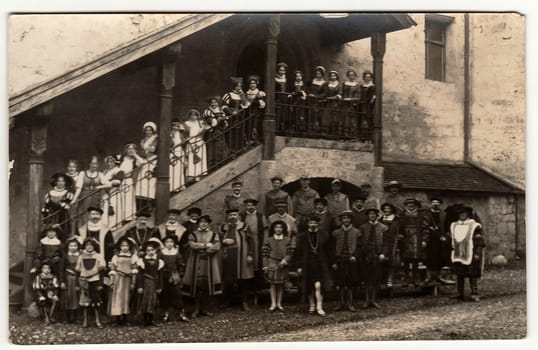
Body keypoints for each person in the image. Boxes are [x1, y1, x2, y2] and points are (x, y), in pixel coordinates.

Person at [182, 215, 222, 318]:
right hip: (196, 262)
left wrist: (208, 251)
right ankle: (196, 308)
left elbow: (217, 246)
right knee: (197, 285)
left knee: (207, 285)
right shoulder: (193, 234)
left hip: (209, 262)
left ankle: (206, 308)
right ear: (198, 223)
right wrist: (205, 245)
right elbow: (192, 244)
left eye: (205, 222)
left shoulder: (213, 234)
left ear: (208, 224)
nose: (203, 224)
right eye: (201, 222)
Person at [219, 208, 255, 311]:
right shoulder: (223, 227)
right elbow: (217, 240)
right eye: (230, 215)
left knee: (243, 279)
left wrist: (250, 254)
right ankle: (227, 301)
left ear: (238, 216)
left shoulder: (244, 226)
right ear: (227, 217)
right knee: (227, 280)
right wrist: (223, 241)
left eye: (234, 215)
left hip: (242, 256)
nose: (232, 217)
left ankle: (244, 302)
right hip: (228, 256)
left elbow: (251, 241)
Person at [294, 215, 329, 316]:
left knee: (318, 285)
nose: (313, 225)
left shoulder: (324, 235)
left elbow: (328, 251)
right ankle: (312, 305)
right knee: (309, 286)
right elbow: (299, 252)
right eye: (311, 223)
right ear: (307, 224)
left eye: (314, 223)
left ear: (318, 224)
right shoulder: (302, 236)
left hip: (320, 264)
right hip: (307, 263)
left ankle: (319, 306)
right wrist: (299, 266)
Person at [450, 206, 486, 302]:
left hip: (471, 253)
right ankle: (459, 293)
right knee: (460, 274)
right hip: (459, 253)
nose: (462, 215)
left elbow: (479, 240)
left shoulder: (474, 226)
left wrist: (477, 252)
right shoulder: (454, 225)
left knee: (472, 273)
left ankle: (474, 293)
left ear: (468, 214)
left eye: (464, 213)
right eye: (460, 214)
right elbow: (453, 239)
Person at [358, 206, 390, 308]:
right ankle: (367, 300)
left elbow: (386, 243)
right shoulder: (362, 227)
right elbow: (359, 243)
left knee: (376, 279)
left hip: (378, 256)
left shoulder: (383, 227)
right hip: (366, 256)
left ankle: (374, 300)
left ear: (377, 216)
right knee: (367, 279)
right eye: (370, 214)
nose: (372, 216)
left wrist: (383, 254)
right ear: (368, 216)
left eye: (374, 214)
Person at [331, 210, 361, 311]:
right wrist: (334, 261)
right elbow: (332, 248)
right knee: (340, 283)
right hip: (340, 260)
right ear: (341, 220)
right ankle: (340, 303)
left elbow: (360, 247)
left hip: (351, 260)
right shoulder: (336, 233)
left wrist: (355, 256)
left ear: (351, 220)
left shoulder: (357, 232)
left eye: (348, 218)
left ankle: (350, 303)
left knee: (350, 283)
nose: (346, 220)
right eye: (344, 218)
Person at [241, 198, 269, 304]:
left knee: (257, 267)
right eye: (248, 205)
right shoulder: (242, 216)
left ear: (255, 206)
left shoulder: (261, 216)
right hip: (245, 245)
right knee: (247, 267)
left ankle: (257, 293)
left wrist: (264, 243)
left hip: (258, 244)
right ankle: (246, 294)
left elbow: (266, 231)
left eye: (252, 205)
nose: (250, 207)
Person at [262, 220, 294, 312]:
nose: (278, 229)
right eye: (276, 227)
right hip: (272, 263)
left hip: (283, 264)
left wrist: (285, 260)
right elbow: (265, 254)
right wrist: (265, 266)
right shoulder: (269, 240)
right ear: (273, 229)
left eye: (280, 227)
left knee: (281, 284)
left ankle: (279, 303)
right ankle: (273, 303)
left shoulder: (287, 240)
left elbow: (290, 253)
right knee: (273, 284)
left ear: (283, 229)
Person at [107, 236, 138, 326]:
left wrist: (133, 282)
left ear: (129, 247)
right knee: (118, 299)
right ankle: (117, 320)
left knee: (126, 299)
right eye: (123, 245)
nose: (125, 247)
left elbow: (134, 270)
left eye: (127, 246)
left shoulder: (133, 257)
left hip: (127, 280)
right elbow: (113, 270)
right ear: (120, 247)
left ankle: (125, 319)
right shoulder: (116, 257)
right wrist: (112, 282)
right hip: (118, 279)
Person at [76, 237, 106, 328]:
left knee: (96, 301)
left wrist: (100, 283)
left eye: (91, 245)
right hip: (84, 281)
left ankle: (98, 320)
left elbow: (101, 271)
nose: (89, 247)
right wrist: (79, 282)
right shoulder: (81, 256)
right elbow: (78, 269)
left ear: (94, 246)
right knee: (85, 302)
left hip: (95, 280)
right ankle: (85, 320)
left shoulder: (99, 256)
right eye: (87, 245)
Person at [423, 197, 453, 285]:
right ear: (431, 203)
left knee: (440, 258)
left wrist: (446, 237)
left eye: (437, 202)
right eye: (433, 202)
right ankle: (428, 276)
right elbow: (423, 225)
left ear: (440, 204)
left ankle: (439, 276)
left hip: (440, 239)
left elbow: (448, 226)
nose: (435, 204)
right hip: (429, 239)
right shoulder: (426, 213)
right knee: (429, 258)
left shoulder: (444, 214)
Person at [159, 235, 189, 323]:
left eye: (171, 242)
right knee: (165, 295)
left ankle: (181, 314)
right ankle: (165, 314)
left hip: (174, 276)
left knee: (177, 294)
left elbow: (181, 264)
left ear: (174, 243)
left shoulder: (176, 253)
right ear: (164, 244)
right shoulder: (161, 253)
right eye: (167, 242)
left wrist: (179, 274)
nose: (169, 244)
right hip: (164, 277)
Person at [73, 156, 111, 224]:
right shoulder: (83, 174)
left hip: (96, 197)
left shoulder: (100, 174)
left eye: (96, 164)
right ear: (89, 164)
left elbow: (109, 184)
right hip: (85, 196)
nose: (94, 165)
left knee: (94, 214)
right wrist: (74, 199)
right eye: (92, 163)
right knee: (84, 213)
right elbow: (79, 188)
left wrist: (100, 187)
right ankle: (84, 231)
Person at [136, 238, 165, 327]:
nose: (150, 252)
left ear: (155, 250)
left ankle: (151, 319)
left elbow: (160, 275)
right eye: (148, 250)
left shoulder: (159, 262)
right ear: (145, 252)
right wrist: (140, 286)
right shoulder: (142, 261)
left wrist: (160, 286)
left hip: (155, 283)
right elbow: (140, 275)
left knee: (154, 300)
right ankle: (144, 320)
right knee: (145, 301)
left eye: (152, 250)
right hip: (146, 283)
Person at [399, 197, 427, 286]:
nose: (411, 207)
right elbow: (398, 227)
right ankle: (406, 279)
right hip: (405, 239)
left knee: (416, 260)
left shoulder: (421, 215)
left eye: (413, 205)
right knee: (406, 260)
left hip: (416, 238)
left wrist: (424, 239)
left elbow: (425, 228)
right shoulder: (402, 215)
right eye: (408, 205)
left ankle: (415, 279)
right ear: (406, 206)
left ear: (416, 206)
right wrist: (400, 235)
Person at [222, 77, 250, 152]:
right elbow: (224, 107)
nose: (239, 88)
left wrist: (242, 95)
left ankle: (239, 149)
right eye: (237, 86)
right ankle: (231, 150)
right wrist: (231, 112)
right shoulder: (228, 95)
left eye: (240, 86)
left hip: (240, 117)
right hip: (231, 117)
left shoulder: (242, 95)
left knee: (240, 133)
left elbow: (246, 104)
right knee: (231, 134)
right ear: (234, 86)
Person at [136, 121, 158, 212]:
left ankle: (150, 204)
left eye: (150, 130)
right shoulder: (142, 141)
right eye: (146, 130)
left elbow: (153, 149)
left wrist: (148, 149)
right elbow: (143, 152)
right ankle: (141, 205)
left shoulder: (156, 139)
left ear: (153, 131)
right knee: (141, 182)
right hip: (145, 161)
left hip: (153, 160)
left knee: (151, 182)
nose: (148, 132)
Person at [203, 97, 229, 169]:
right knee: (213, 148)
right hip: (212, 132)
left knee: (221, 146)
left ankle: (221, 162)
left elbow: (224, 120)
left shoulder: (221, 111)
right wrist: (216, 120)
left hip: (221, 131)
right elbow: (211, 122)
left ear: (218, 103)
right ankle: (213, 165)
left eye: (215, 102)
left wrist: (224, 122)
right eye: (212, 103)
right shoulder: (208, 111)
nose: (214, 104)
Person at [184, 109, 209, 183]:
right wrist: (187, 139)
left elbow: (206, 128)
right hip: (191, 142)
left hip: (199, 142)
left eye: (195, 115)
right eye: (192, 115)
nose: (193, 117)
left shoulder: (200, 123)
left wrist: (203, 129)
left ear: (197, 116)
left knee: (199, 159)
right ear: (189, 116)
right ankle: (191, 176)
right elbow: (184, 134)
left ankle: (198, 175)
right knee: (191, 160)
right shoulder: (186, 123)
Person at [60, 237, 81, 324]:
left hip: (76, 279)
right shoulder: (65, 257)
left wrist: (79, 283)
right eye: (71, 246)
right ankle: (66, 318)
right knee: (66, 298)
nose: (73, 247)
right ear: (68, 247)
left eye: (75, 246)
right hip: (67, 279)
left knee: (76, 297)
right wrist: (61, 281)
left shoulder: (80, 256)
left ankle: (75, 318)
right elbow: (61, 270)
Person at [379, 203, 400, 288]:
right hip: (382, 242)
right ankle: (382, 279)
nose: (386, 210)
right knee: (382, 260)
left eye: (388, 208)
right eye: (385, 209)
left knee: (392, 262)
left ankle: (389, 280)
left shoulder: (397, 219)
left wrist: (399, 237)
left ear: (391, 210)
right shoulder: (380, 219)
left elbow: (401, 231)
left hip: (393, 242)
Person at [118, 143, 140, 223]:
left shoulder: (135, 160)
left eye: (132, 149)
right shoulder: (121, 158)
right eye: (129, 149)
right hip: (119, 181)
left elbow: (143, 162)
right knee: (119, 199)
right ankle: (120, 218)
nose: (130, 150)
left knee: (128, 199)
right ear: (126, 150)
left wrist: (135, 155)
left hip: (128, 181)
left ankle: (128, 218)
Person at [102, 155, 124, 229]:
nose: (109, 163)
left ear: (115, 162)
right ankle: (106, 227)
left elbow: (118, 182)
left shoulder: (119, 170)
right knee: (105, 210)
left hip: (114, 193)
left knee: (114, 209)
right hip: (106, 194)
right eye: (108, 162)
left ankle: (115, 227)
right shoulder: (105, 171)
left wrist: (108, 183)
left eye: (111, 162)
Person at [245, 75, 266, 142]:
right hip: (248, 111)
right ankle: (249, 139)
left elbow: (262, 105)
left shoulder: (260, 93)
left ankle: (256, 139)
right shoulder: (246, 93)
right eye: (251, 83)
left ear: (256, 84)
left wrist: (259, 102)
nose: (252, 85)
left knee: (256, 125)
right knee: (249, 125)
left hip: (257, 112)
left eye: (254, 83)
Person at [307, 66, 328, 134]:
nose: (317, 75)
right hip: (311, 100)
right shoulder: (312, 81)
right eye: (317, 73)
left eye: (319, 73)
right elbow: (309, 89)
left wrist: (316, 96)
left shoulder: (324, 83)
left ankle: (317, 130)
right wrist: (309, 94)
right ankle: (309, 129)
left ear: (322, 74)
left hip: (318, 101)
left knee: (317, 115)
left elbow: (325, 93)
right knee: (310, 114)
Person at [342, 68, 360, 138]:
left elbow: (358, 97)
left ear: (355, 76)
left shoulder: (357, 85)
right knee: (345, 119)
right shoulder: (344, 84)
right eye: (349, 75)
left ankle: (352, 135)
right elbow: (342, 93)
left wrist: (350, 99)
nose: (351, 76)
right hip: (345, 104)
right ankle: (345, 135)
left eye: (352, 75)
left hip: (353, 105)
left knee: (352, 120)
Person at [170, 118, 187, 192]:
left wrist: (182, 130)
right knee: (172, 170)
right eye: (174, 125)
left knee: (179, 170)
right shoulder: (170, 134)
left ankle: (180, 186)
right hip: (172, 153)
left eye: (177, 125)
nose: (176, 127)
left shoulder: (180, 134)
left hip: (180, 152)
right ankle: (172, 187)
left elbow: (184, 142)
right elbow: (169, 144)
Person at [359, 71, 376, 141]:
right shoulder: (361, 86)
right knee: (361, 119)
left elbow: (372, 97)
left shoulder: (372, 86)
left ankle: (368, 136)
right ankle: (362, 136)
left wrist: (369, 101)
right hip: (362, 104)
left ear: (371, 78)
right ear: (364, 78)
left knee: (368, 119)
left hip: (368, 105)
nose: (367, 78)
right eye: (366, 77)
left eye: (369, 77)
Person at [325, 70, 343, 135]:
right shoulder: (327, 84)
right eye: (331, 75)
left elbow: (339, 95)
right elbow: (325, 93)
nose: (332, 77)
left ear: (336, 76)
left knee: (335, 118)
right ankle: (327, 133)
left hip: (335, 104)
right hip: (328, 104)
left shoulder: (339, 85)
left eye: (334, 75)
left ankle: (334, 133)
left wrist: (330, 98)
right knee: (327, 118)